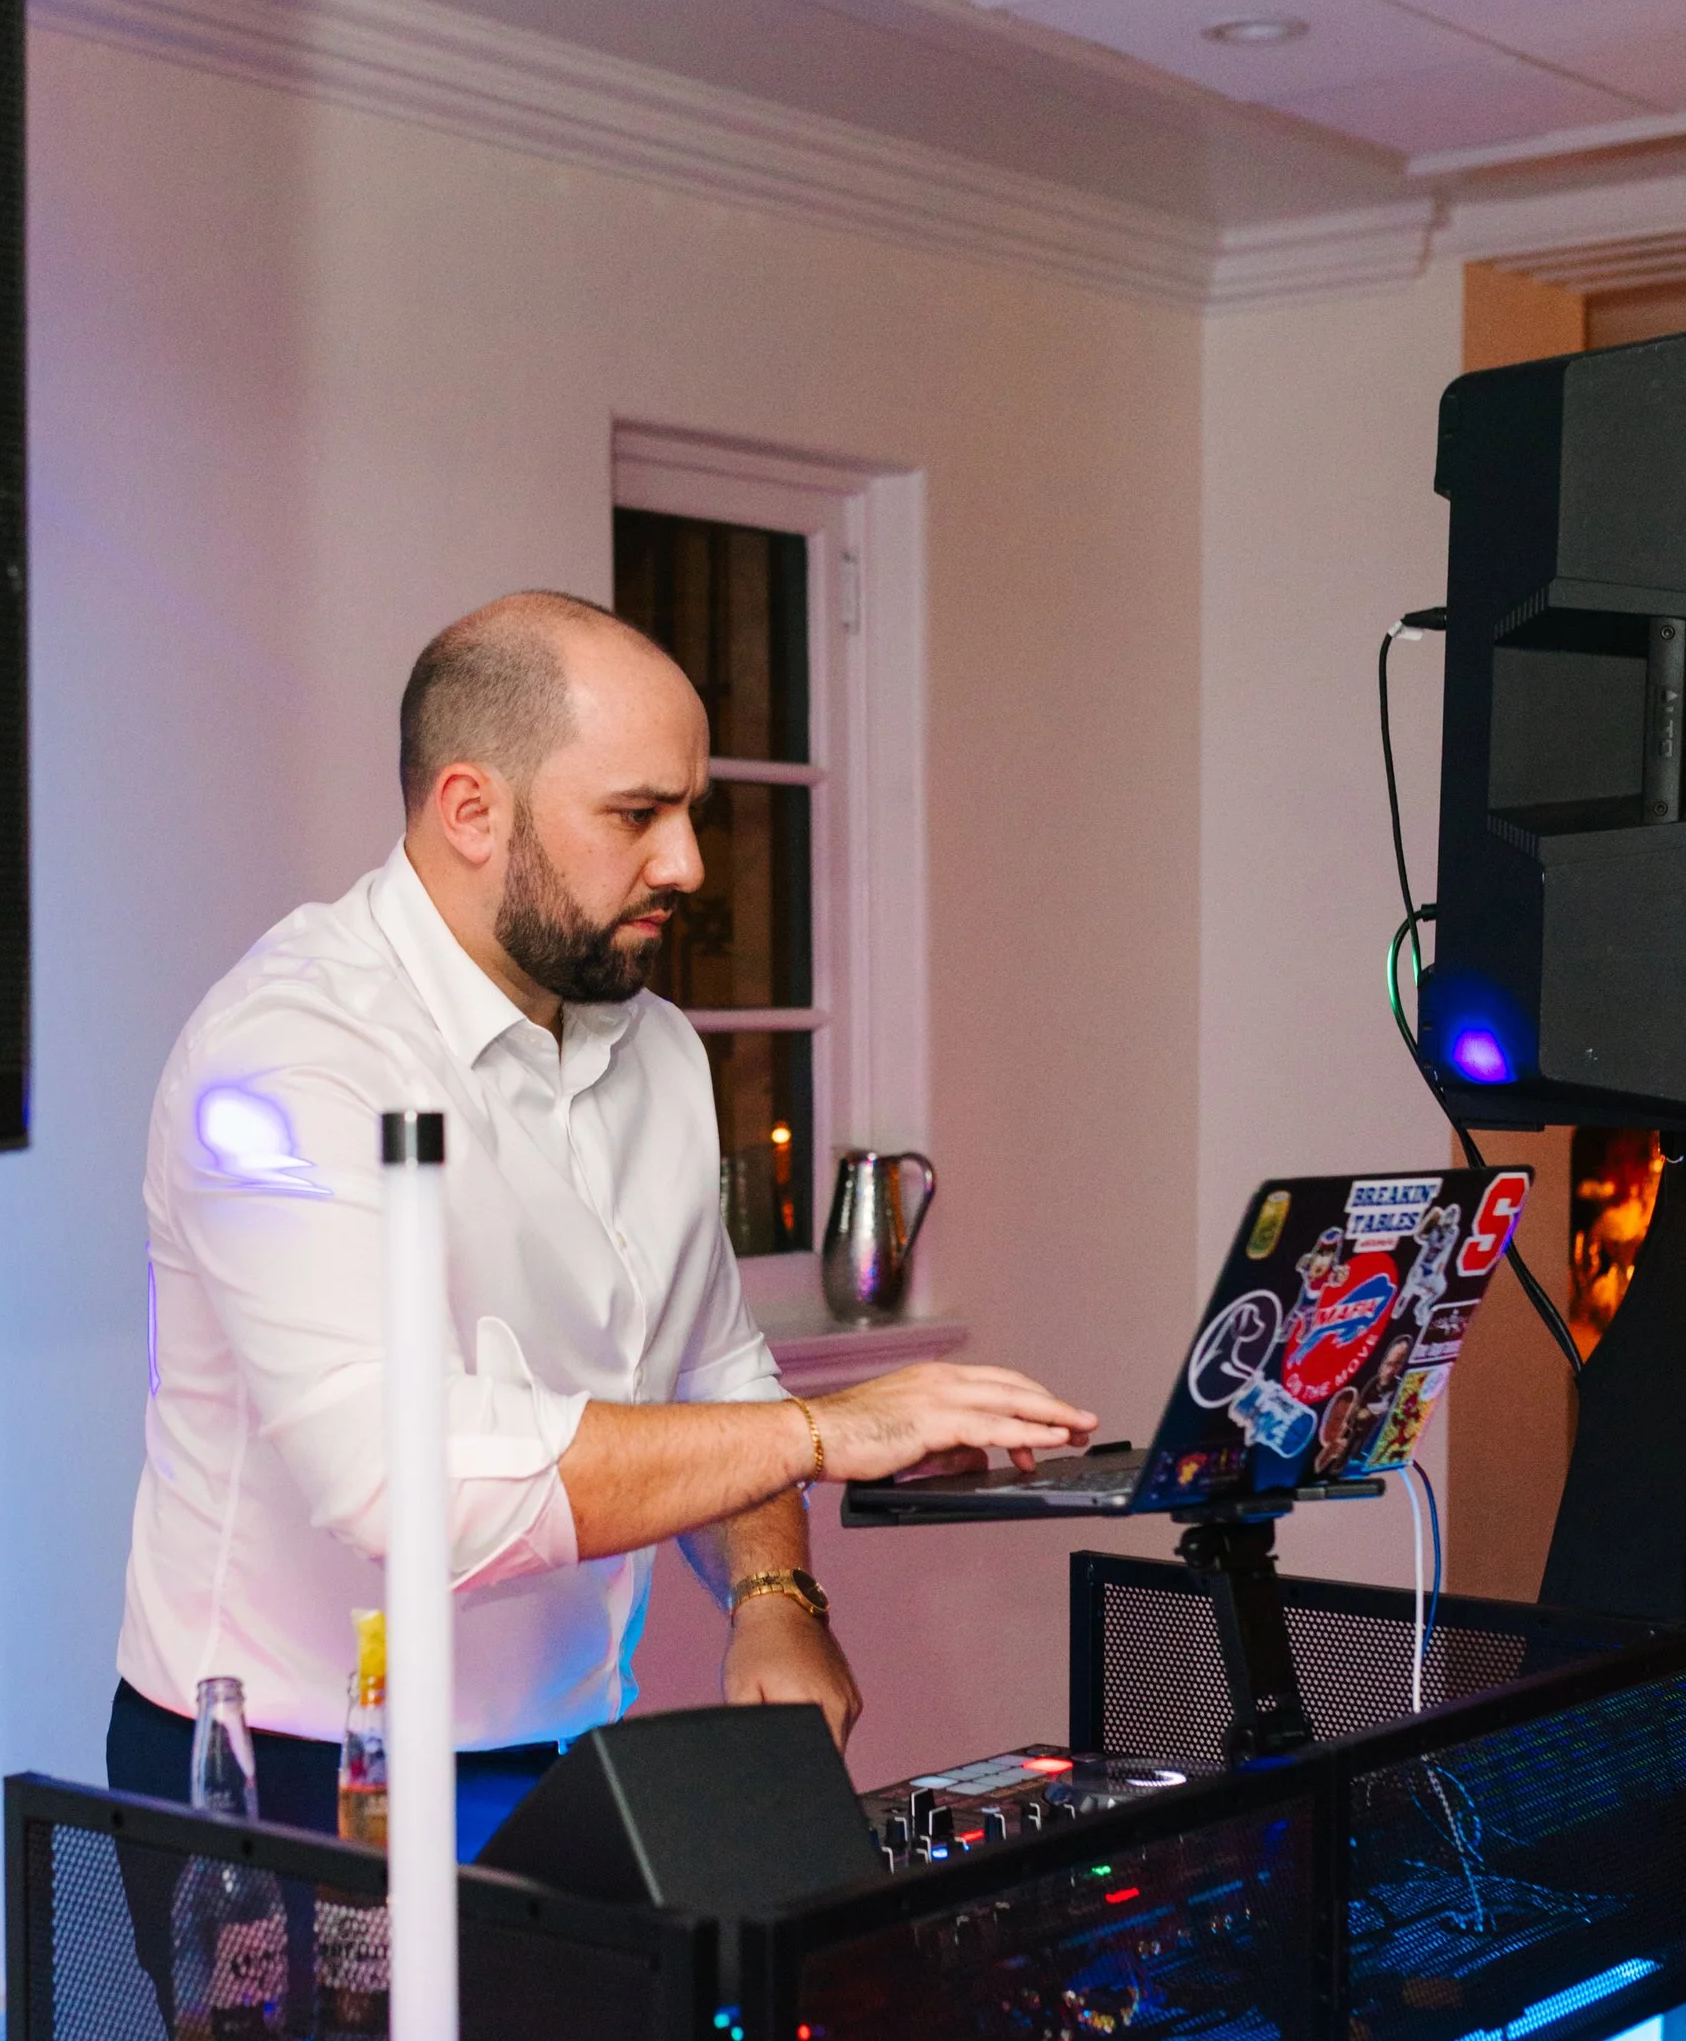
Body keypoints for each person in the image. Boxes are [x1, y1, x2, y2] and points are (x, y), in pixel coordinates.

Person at [108, 588, 1094, 1859]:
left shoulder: (659, 1052)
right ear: (471, 810)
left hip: (569, 1747)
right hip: (292, 1776)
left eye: (690, 813)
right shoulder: (287, 1058)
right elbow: (407, 1486)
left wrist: (773, 1591)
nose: (685, 863)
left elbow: (708, 1369)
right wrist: (826, 1431)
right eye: (636, 815)